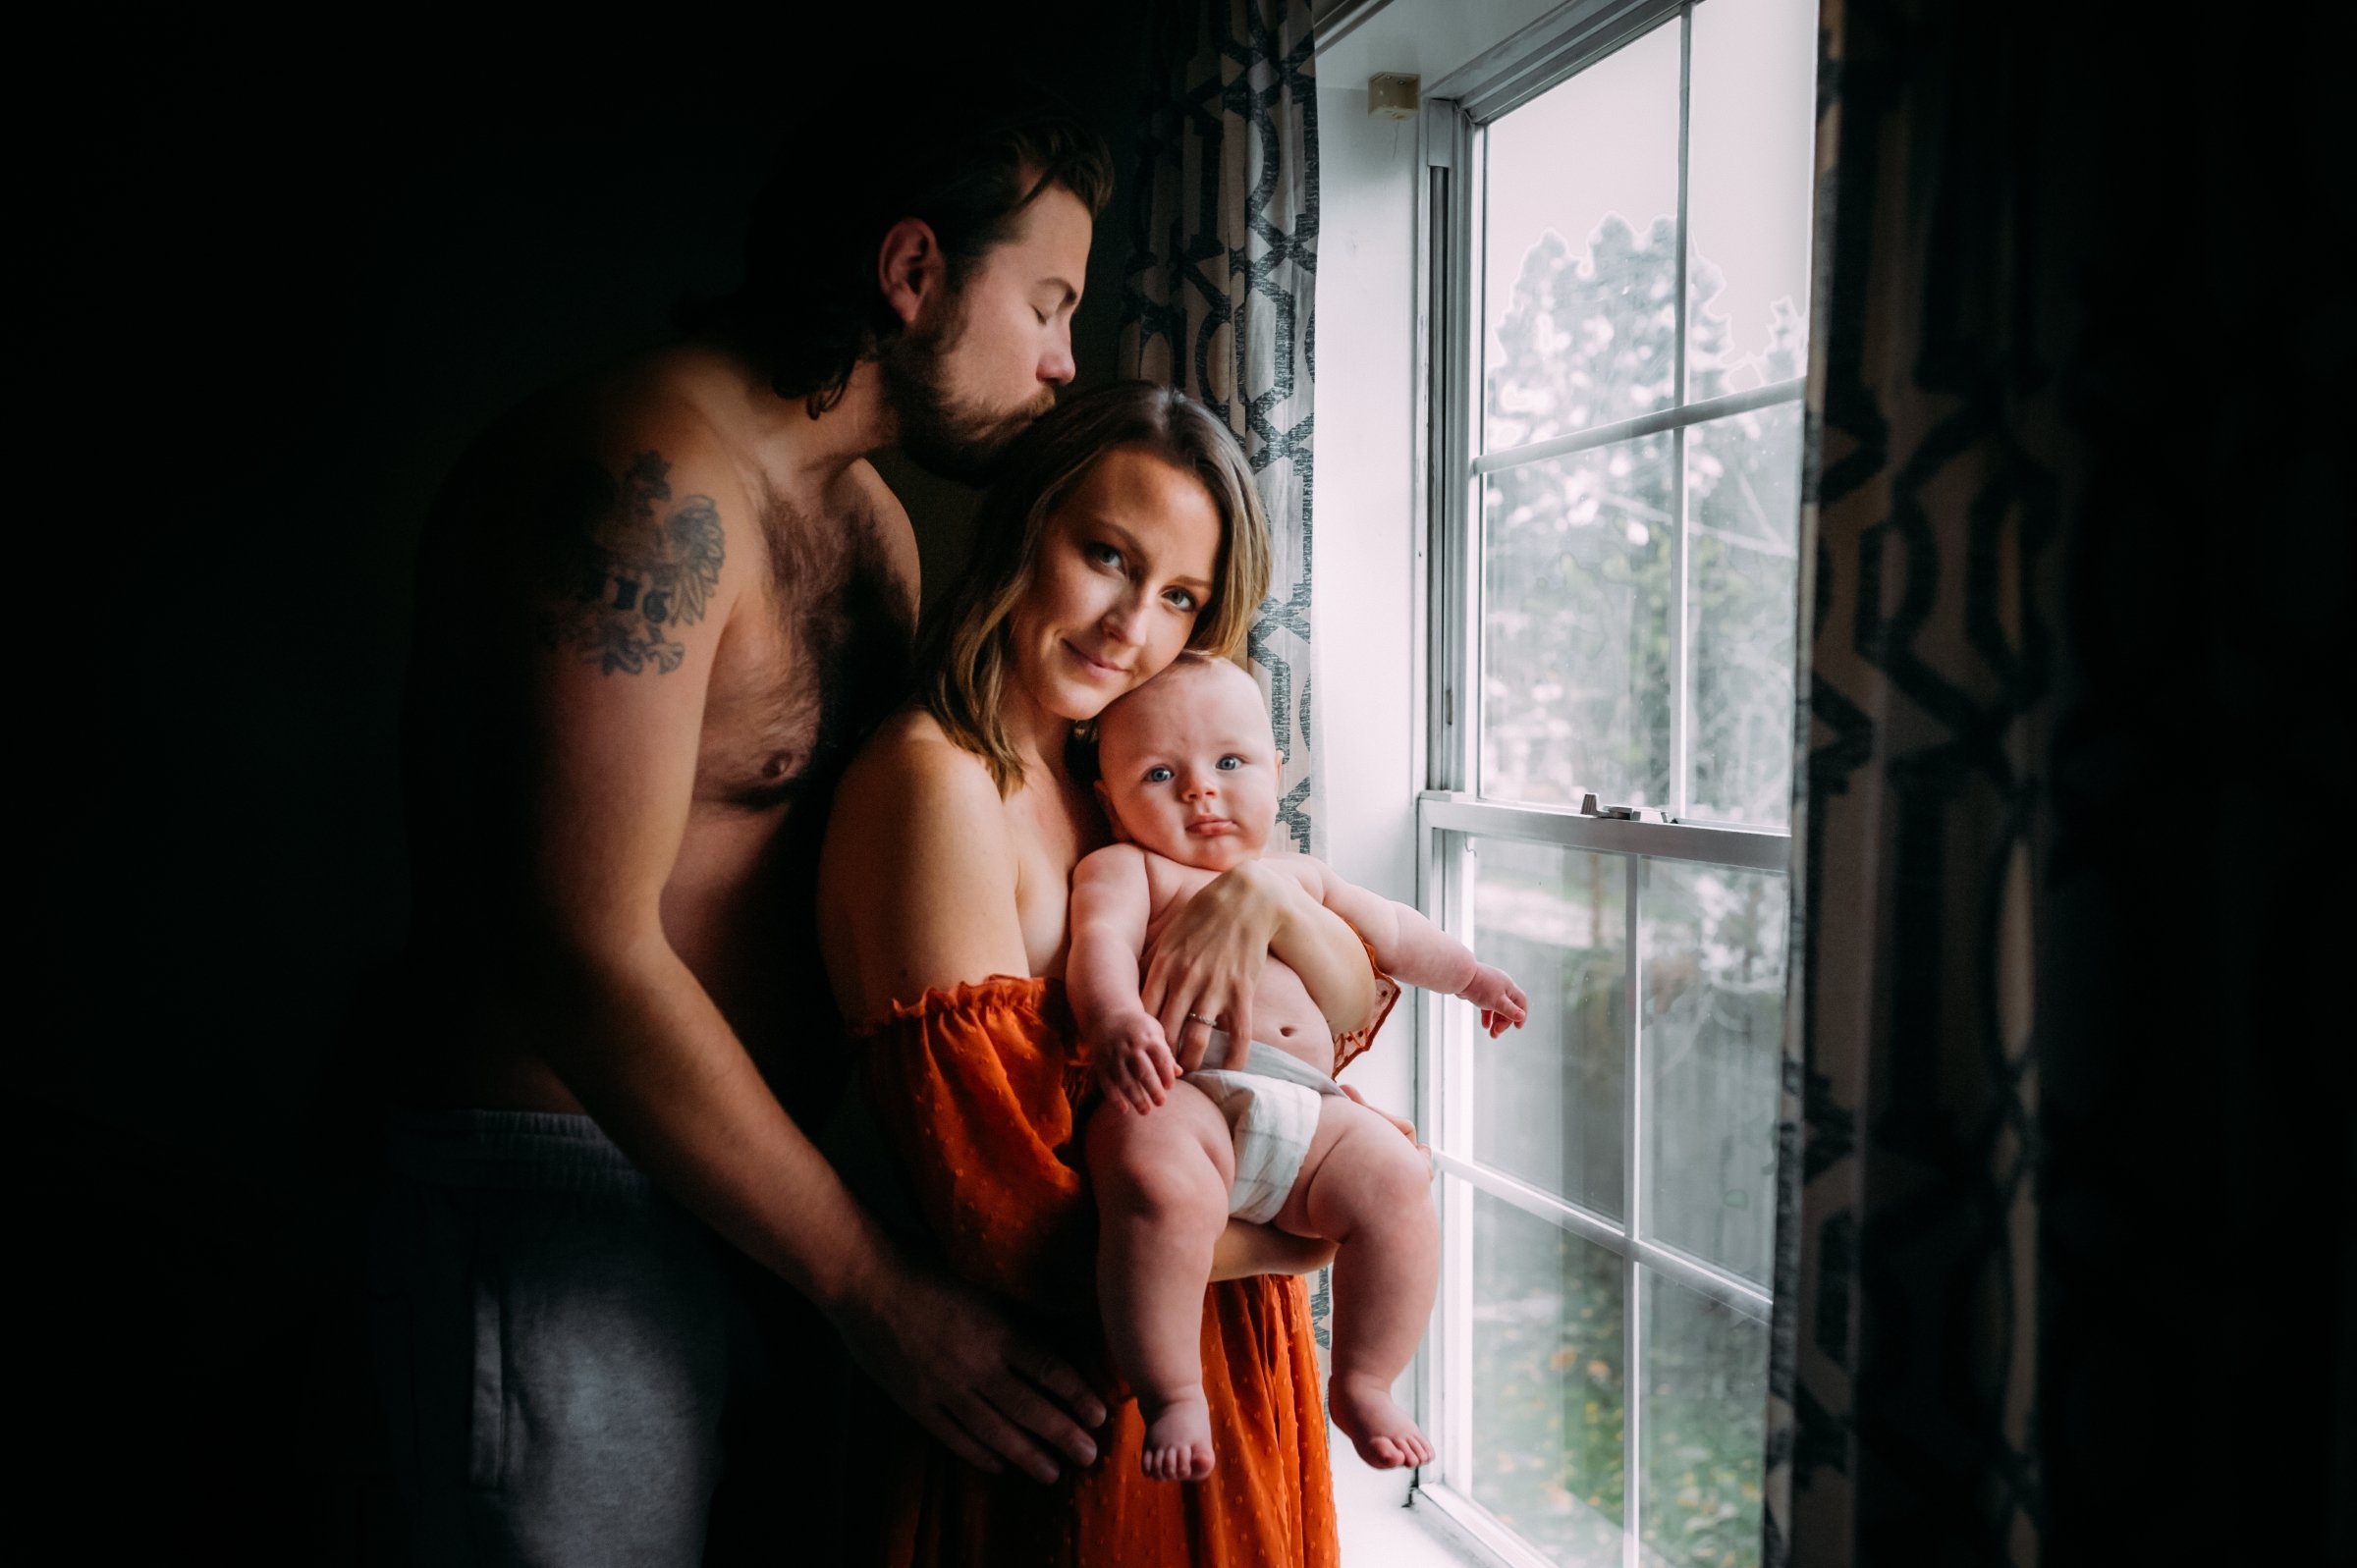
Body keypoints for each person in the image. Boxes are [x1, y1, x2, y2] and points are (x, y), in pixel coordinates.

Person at [370, 97, 1120, 1565]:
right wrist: (876, 1288)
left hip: (776, 1204)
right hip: (558, 1192)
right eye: (1046, 303)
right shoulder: (639, 486)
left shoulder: (876, 527)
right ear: (913, 273)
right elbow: (576, 946)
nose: (1063, 361)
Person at [818, 380, 1385, 1566]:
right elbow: (1006, 1223)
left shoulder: (1127, 783)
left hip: (1231, 1377)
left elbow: (1338, 1020)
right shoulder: (941, 785)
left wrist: (1269, 894)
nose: (1134, 624)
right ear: (1027, 528)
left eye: (1179, 595)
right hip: (1084, 1422)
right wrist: (1321, 1229)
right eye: (1108, 555)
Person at [1069, 653, 1528, 1482]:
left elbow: (1393, 931)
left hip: (1310, 1108)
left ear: (1279, 769)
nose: (1201, 790)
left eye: (1230, 762)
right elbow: (1098, 944)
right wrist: (1117, 1018)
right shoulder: (1129, 869)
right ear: (1108, 799)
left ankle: (1363, 1380)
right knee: (1155, 1176)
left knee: (1397, 1175)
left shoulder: (1303, 875)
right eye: (1160, 772)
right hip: (1185, 1094)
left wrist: (1470, 976)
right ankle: (1174, 1390)